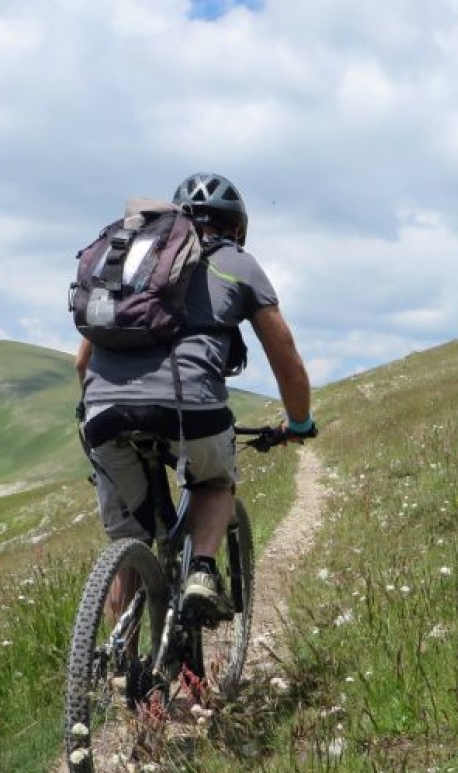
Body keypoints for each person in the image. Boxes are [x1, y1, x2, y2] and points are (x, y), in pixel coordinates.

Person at [75, 172, 316, 621]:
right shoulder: (237, 263)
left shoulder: (131, 266)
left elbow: (80, 364)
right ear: (236, 229)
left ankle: (118, 667)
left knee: (130, 536)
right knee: (213, 482)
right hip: (191, 409)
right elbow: (284, 353)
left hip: (102, 412)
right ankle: (202, 569)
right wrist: (299, 422)